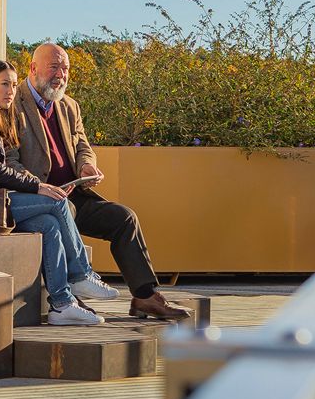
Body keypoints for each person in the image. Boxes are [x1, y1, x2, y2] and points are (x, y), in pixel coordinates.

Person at [10, 42, 191, 320]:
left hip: (73, 193)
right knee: (60, 214)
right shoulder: (13, 105)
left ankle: (145, 297)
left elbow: (83, 145)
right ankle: (71, 294)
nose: (61, 75)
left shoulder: (69, 105)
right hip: (39, 198)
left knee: (124, 218)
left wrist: (86, 165)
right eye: (54, 67)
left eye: (65, 68)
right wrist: (38, 187)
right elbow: (9, 160)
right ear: (33, 68)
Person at [0, 59, 118, 326]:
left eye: (14, 85)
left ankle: (62, 305)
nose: (11, 91)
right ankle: (81, 275)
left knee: (48, 225)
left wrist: (37, 186)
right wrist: (38, 186)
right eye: (4, 84)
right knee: (56, 202)